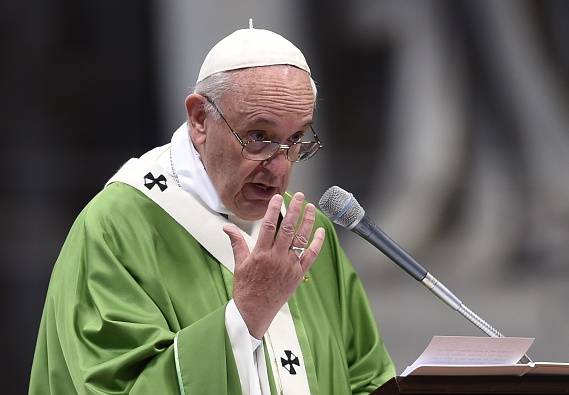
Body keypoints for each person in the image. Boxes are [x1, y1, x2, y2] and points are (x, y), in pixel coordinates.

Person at [29, 21, 396, 395]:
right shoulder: (117, 227)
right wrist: (245, 316)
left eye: (296, 139)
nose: (280, 167)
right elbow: (112, 387)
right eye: (258, 136)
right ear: (200, 119)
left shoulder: (305, 229)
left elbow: (368, 377)